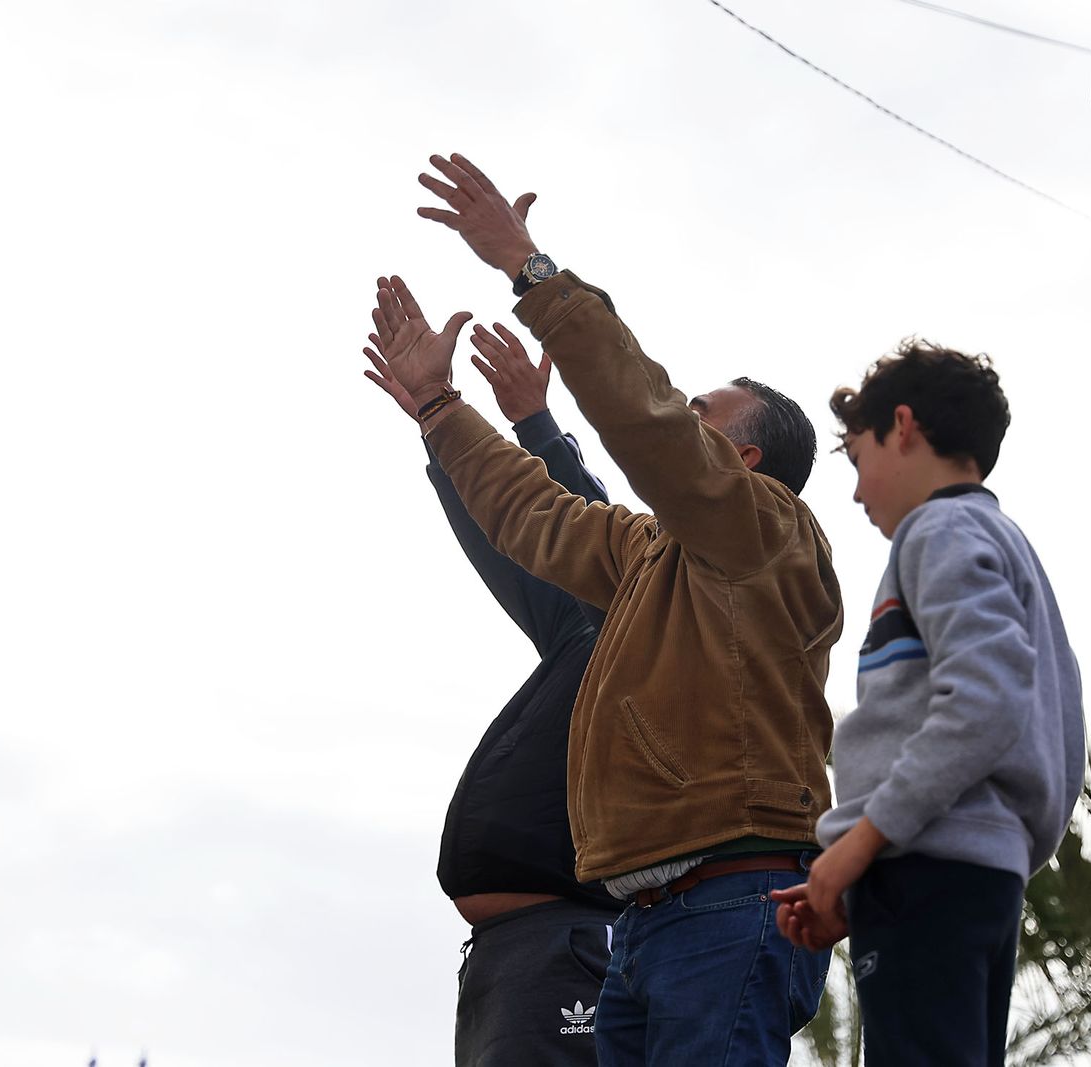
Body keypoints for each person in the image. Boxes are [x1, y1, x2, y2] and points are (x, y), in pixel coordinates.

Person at [360, 152, 842, 1065]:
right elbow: (536, 515)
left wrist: (529, 271)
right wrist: (437, 405)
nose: (676, 417)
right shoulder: (650, 554)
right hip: (651, 918)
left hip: (731, 902)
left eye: (700, 412)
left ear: (741, 465)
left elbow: (642, 417)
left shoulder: (768, 530)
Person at [771, 341, 1085, 1066]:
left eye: (855, 458)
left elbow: (984, 703)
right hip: (970, 874)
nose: (855, 493)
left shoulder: (937, 530)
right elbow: (1047, 724)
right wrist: (979, 846)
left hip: (930, 870)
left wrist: (861, 842)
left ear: (903, 426)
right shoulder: (1011, 546)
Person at [362, 337, 620, 1065]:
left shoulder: (672, 613)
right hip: (511, 958)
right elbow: (531, 540)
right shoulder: (591, 628)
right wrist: (440, 427)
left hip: (570, 946)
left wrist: (536, 426)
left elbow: (600, 544)